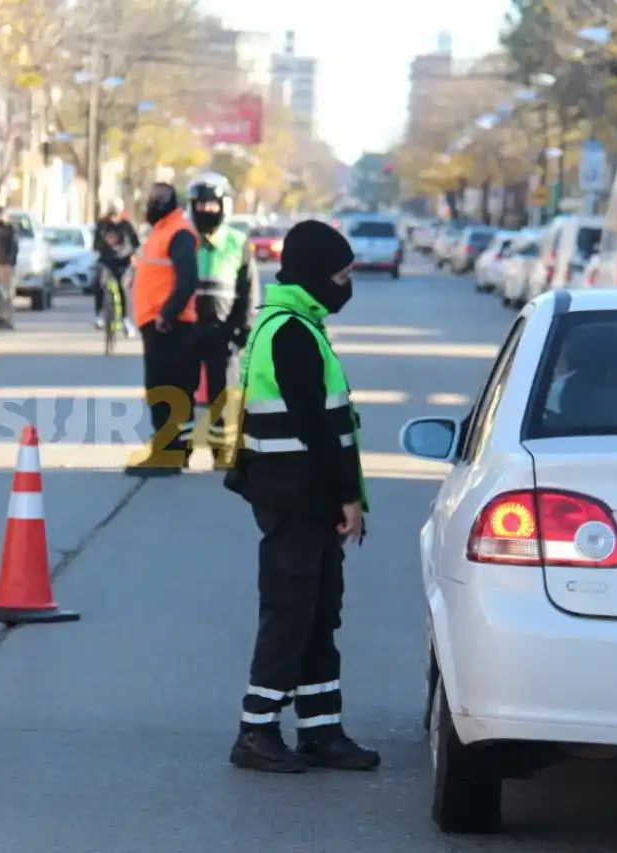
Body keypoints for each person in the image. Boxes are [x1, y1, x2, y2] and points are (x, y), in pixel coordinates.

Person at [222, 219, 381, 774]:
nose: (346, 285)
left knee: (318, 614)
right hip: (294, 497)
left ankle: (320, 729)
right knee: (290, 613)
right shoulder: (290, 332)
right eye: (341, 275)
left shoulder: (299, 324)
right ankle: (256, 729)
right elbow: (315, 429)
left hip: (304, 495)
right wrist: (348, 498)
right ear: (314, 275)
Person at [124, 182, 201, 477]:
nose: (153, 202)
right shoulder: (161, 231)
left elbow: (187, 279)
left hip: (169, 326)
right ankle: (175, 450)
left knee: (165, 391)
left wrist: (167, 314)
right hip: (158, 324)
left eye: (160, 198)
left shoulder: (178, 232)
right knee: (170, 389)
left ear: (173, 201)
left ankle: (168, 454)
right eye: (152, 197)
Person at [184, 173, 258, 469]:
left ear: (224, 206)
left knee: (223, 395)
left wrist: (243, 327)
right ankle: (180, 451)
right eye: (200, 204)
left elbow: (248, 289)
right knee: (181, 392)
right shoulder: (184, 240)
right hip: (187, 329)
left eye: (212, 204)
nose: (206, 210)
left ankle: (223, 452)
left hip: (224, 330)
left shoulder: (237, 242)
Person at [91, 199, 141, 336]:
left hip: (124, 262)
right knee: (98, 283)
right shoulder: (102, 224)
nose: (114, 217)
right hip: (106, 261)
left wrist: (133, 256)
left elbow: (136, 243)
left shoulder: (127, 225)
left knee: (122, 287)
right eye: (111, 213)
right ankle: (99, 315)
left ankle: (125, 320)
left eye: (116, 213)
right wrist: (101, 247)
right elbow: (96, 244)